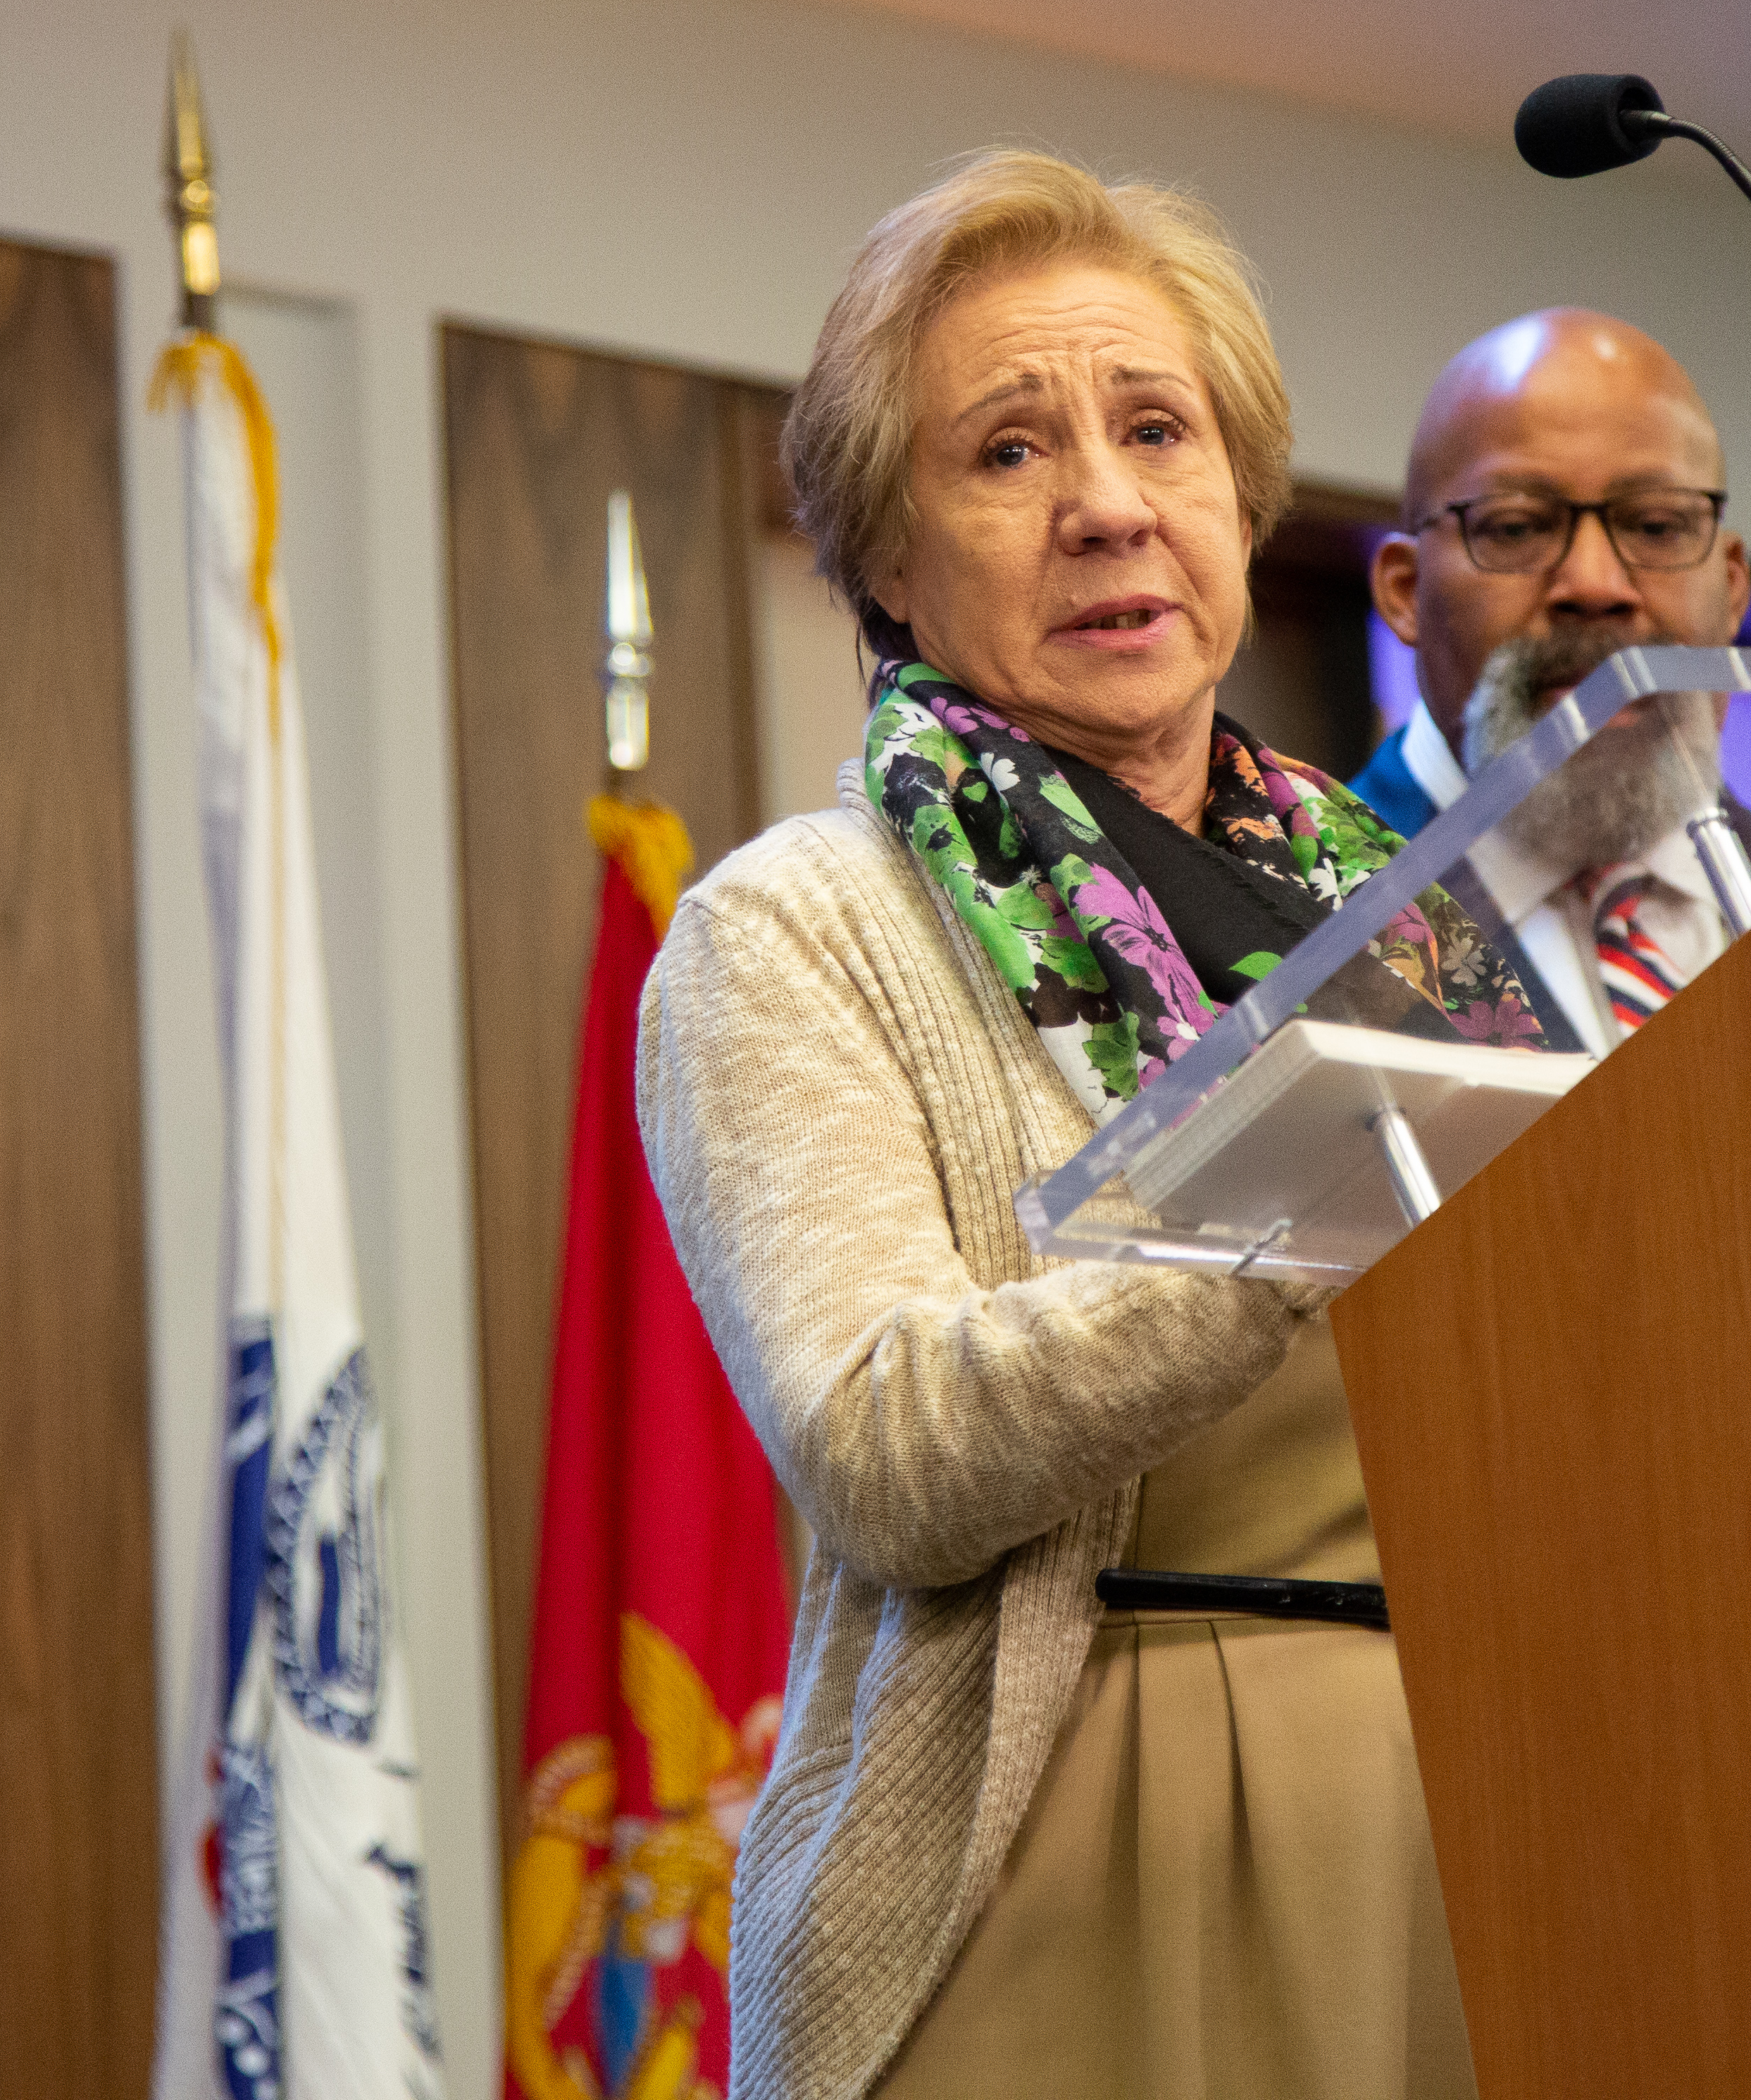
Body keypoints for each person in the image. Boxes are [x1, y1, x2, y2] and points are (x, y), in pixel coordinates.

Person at [638, 151, 1531, 2100]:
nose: (1109, 503)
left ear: (1238, 496)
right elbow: (883, 1447)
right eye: (1010, 453)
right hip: (1062, 1843)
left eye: (1156, 430)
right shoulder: (798, 929)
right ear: (887, 556)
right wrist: (1301, 1201)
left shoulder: (1419, 917)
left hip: (1493, 1821)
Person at [1349, 306, 1751, 1046]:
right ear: (1405, 591)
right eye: (1518, 526)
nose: (1594, 585)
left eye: (1656, 526)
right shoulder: (1288, 932)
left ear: (1734, 589)